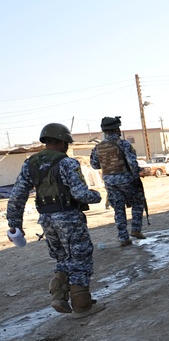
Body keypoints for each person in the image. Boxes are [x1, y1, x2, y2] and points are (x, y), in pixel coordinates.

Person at [5, 123, 103, 316]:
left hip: (47, 221)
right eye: (66, 143)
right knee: (80, 259)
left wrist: (15, 224)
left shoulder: (30, 163)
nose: (67, 147)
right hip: (69, 219)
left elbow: (17, 195)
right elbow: (80, 194)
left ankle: (59, 296)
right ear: (61, 142)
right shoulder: (67, 163)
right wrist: (96, 195)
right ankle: (82, 306)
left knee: (62, 258)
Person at [89, 116, 147, 246]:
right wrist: (138, 172)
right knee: (137, 203)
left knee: (118, 209)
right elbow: (132, 163)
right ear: (116, 129)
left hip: (109, 182)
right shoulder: (123, 144)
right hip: (127, 180)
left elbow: (95, 165)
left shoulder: (98, 147)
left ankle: (123, 238)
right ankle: (136, 230)